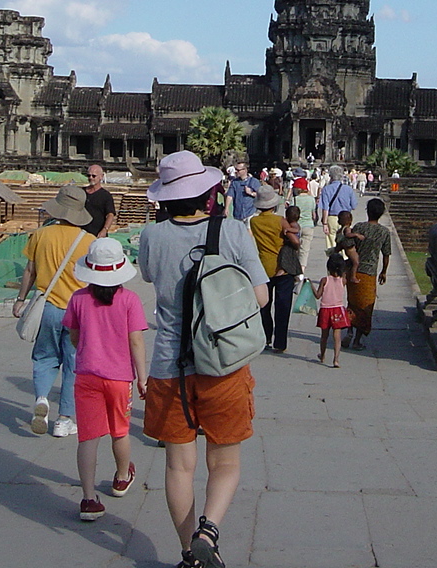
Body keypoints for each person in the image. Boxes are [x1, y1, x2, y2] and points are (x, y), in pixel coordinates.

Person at [138, 151, 269, 568]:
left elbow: (148, 276)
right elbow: (261, 296)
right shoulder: (232, 230)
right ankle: (208, 531)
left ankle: (187, 555)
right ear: (207, 193)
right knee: (225, 461)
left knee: (179, 467)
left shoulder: (151, 236)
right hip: (223, 363)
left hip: (168, 366)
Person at [63, 238, 148, 522]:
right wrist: (142, 377)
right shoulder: (129, 300)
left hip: (87, 374)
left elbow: (74, 336)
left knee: (88, 437)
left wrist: (88, 348)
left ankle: (88, 498)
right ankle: (122, 477)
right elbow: (136, 341)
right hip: (119, 377)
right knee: (120, 430)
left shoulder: (78, 298)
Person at [14, 185, 94, 437]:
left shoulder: (40, 235)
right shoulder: (89, 241)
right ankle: (64, 419)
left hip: (47, 307)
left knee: (44, 358)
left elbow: (30, 270)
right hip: (77, 311)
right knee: (73, 365)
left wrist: (20, 299)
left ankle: (42, 398)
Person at [248, 188, 293, 353]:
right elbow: (294, 240)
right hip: (283, 267)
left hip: (263, 267)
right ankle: (280, 342)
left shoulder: (254, 221)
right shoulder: (280, 220)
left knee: (264, 305)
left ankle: (265, 337)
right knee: (283, 307)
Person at [344, 199, 392, 351]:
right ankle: (357, 340)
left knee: (352, 303)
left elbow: (349, 244)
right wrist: (384, 271)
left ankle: (349, 330)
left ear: (367, 211)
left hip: (353, 271)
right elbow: (386, 254)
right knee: (365, 308)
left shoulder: (359, 227)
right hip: (369, 273)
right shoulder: (384, 232)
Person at [314, 253, 352, 368]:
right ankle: (336, 359)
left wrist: (310, 284)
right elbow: (344, 274)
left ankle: (322, 355)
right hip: (338, 310)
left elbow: (317, 295)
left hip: (325, 310)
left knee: (324, 336)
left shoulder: (324, 280)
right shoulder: (343, 281)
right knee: (337, 336)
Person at [318, 165, 356, 251]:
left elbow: (325, 208)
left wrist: (324, 223)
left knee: (331, 240)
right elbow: (354, 206)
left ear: (330, 176)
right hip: (346, 218)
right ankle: (345, 257)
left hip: (332, 218)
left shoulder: (326, 189)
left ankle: (334, 256)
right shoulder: (348, 189)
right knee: (345, 239)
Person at [82, 165, 116, 238]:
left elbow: (110, 215)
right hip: (81, 233)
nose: (91, 178)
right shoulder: (81, 192)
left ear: (101, 176)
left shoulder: (106, 195)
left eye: (94, 176)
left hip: (97, 234)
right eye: (89, 175)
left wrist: (105, 229)